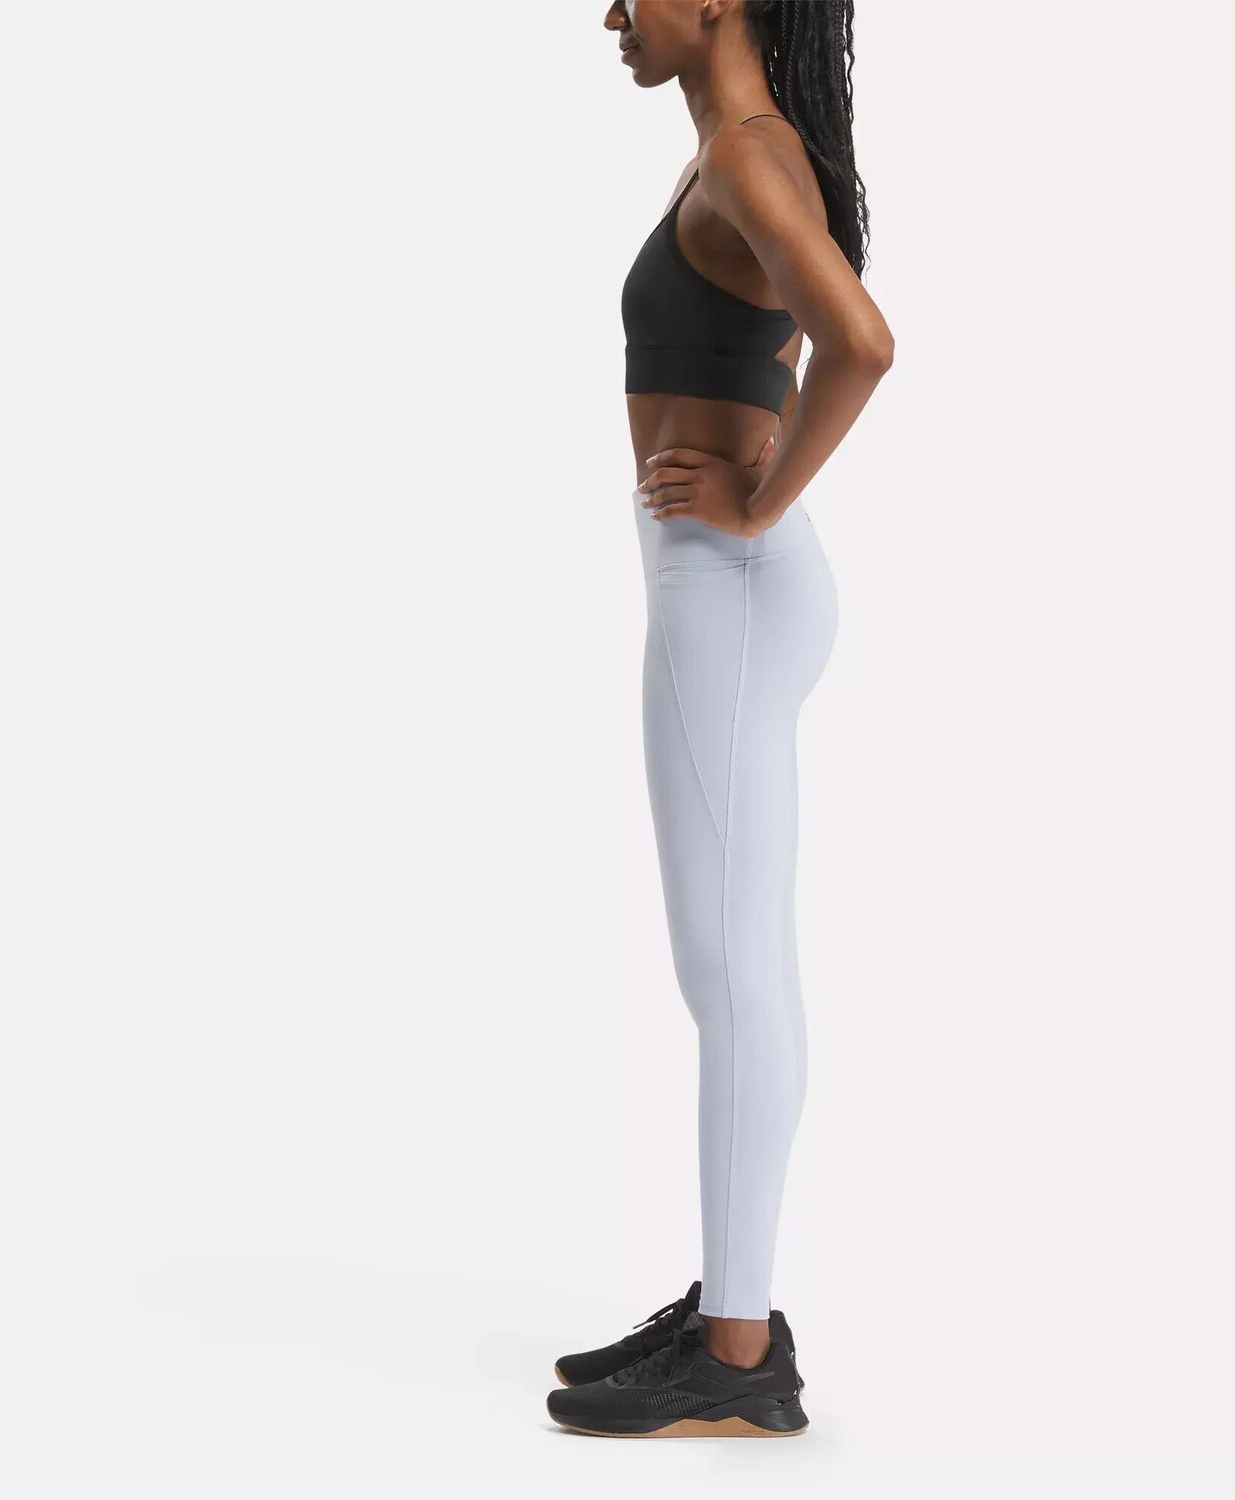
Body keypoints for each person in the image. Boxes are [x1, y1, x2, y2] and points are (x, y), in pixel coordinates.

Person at [547, 0, 893, 1438]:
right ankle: (727, 1309)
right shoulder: (739, 150)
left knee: (732, 971)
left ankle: (740, 1356)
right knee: (730, 965)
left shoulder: (749, 151)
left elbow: (861, 343)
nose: (613, 14)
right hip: (728, 586)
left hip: (727, 591)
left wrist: (755, 500)